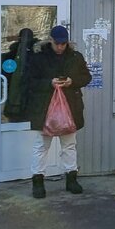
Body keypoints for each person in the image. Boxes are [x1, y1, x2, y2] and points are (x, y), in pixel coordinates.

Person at [25, 25, 92, 198]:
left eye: (63, 43)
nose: (60, 47)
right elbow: (30, 81)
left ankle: (71, 179)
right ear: (50, 40)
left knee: (69, 145)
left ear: (67, 42)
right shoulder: (39, 57)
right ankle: (38, 182)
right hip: (44, 108)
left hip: (70, 108)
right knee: (42, 146)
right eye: (57, 43)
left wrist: (72, 81)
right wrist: (49, 83)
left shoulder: (76, 57)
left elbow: (87, 77)